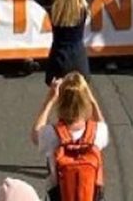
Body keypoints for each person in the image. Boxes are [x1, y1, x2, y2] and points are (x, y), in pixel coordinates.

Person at [6, 0, 110, 85]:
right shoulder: (83, 5)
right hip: (79, 60)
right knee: (80, 101)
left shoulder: (52, 6)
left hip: (58, 60)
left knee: (56, 98)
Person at [32, 72, 108, 201]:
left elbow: (35, 133)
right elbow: (102, 124)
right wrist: (93, 101)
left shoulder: (51, 133)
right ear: (85, 100)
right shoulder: (98, 132)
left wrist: (49, 100)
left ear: (60, 101)